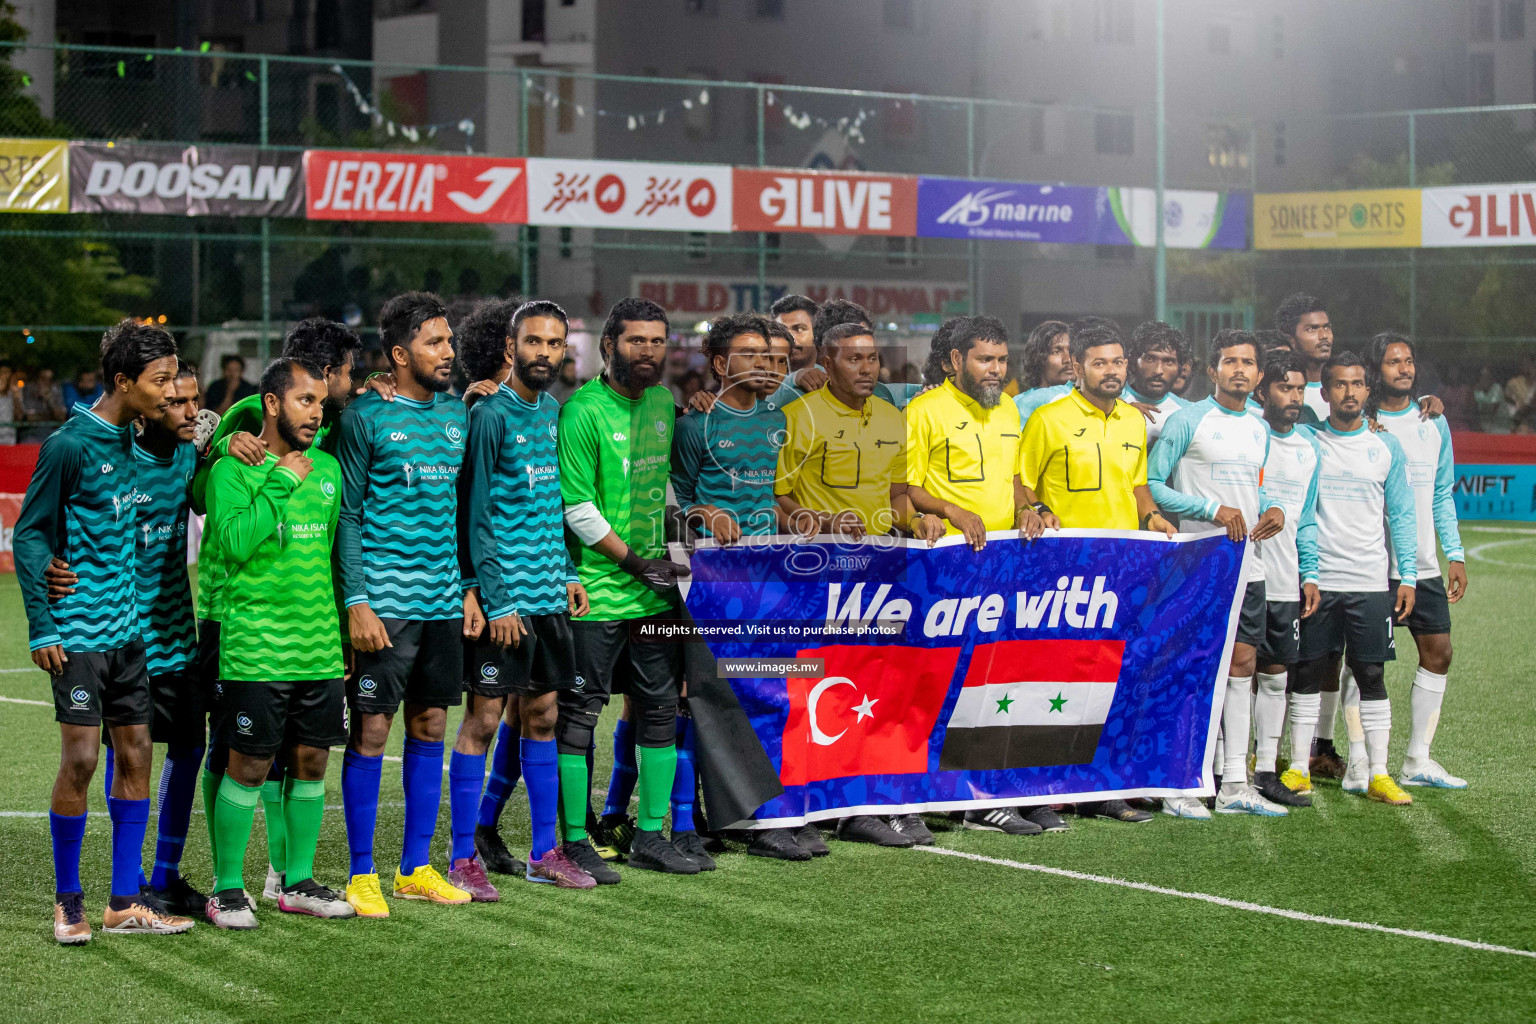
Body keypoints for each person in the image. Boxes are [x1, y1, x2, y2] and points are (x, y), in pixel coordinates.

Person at [15, 319, 193, 944]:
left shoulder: (136, 440)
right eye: (161, 381)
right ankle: (68, 901)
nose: (172, 393)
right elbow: (30, 532)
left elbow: (203, 434)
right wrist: (43, 625)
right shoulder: (70, 445)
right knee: (84, 759)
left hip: (129, 634)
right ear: (123, 381)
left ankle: (123, 901)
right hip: (80, 635)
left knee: (139, 755)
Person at [191, 318, 361, 903]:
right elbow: (235, 540)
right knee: (243, 760)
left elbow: (331, 559)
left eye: (322, 397)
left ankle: (295, 879)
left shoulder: (333, 466)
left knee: (311, 760)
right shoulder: (237, 461)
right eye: (305, 399)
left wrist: (341, 634)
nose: (317, 409)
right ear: (271, 402)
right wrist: (273, 475)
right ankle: (226, 884)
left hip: (316, 646)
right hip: (249, 638)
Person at [338, 292, 485, 915]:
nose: (447, 351)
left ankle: (415, 867)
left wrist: (471, 588)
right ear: (400, 354)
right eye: (433, 342)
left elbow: (466, 514)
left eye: (448, 340)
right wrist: (357, 601)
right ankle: (361, 873)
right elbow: (346, 514)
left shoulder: (459, 417)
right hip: (384, 605)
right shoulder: (364, 418)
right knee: (371, 732)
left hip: (442, 602)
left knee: (430, 728)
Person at [454, 298, 597, 891]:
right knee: (483, 720)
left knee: (543, 715)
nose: (545, 353)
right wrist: (495, 597)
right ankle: (463, 856)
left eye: (555, 343)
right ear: (512, 349)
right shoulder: (490, 415)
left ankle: (545, 852)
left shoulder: (553, 414)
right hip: (505, 599)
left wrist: (567, 570)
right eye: (534, 342)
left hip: (547, 593)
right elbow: (475, 511)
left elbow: (547, 507)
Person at [557, 297, 699, 878]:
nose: (649, 352)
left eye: (658, 342)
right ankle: (573, 838)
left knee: (661, 712)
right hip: (598, 591)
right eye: (637, 341)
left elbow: (663, 487)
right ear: (608, 345)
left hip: (654, 594)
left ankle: (648, 835)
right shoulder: (583, 411)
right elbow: (578, 509)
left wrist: (676, 543)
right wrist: (638, 563)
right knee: (581, 716)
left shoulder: (665, 402)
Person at [905, 314, 1061, 837]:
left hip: (1001, 567)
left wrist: (1029, 508)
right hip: (946, 568)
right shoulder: (924, 411)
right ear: (955, 361)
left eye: (1001, 360)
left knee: (996, 682)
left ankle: (989, 793)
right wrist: (950, 512)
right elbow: (905, 488)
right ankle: (947, 794)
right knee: (944, 681)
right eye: (984, 360)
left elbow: (1014, 479)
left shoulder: (1010, 407)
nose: (996, 370)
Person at [773, 320, 927, 846]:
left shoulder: (891, 416)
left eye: (873, 359)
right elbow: (775, 498)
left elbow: (898, 493)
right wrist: (818, 523)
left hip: (882, 574)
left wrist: (919, 519)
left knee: (878, 690)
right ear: (827, 363)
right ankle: (816, 805)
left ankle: (867, 802)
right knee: (818, 693)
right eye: (854, 359)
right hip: (817, 576)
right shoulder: (799, 416)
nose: (867, 369)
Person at [673, 312, 820, 861]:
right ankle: (725, 819)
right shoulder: (693, 427)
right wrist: (703, 511)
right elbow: (675, 501)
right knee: (722, 699)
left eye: (770, 357)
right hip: (715, 583)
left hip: (772, 576)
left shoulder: (780, 420)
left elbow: (777, 496)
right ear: (718, 364)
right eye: (751, 356)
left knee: (775, 693)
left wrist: (804, 521)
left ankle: (766, 812)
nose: (765, 366)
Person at [1017, 319, 1168, 826]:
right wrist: (1036, 506)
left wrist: (1151, 516)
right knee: (1051, 679)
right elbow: (1019, 482)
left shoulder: (1133, 421)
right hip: (1062, 574)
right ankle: (1038, 789)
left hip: (1122, 571)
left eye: (1118, 362)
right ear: (1076, 367)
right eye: (1099, 362)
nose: (1111, 371)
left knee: (1108, 679)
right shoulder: (1049, 418)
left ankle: (1099, 788)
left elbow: (1138, 484)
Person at [1148, 329, 1288, 818]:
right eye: (1231, 361)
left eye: (1249, 362)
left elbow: (1259, 486)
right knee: (1191, 666)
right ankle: (1177, 784)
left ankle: (1232, 784)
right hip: (1197, 562)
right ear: (1212, 370)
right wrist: (1211, 509)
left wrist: (1274, 510)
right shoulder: (1189, 420)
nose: (1241, 370)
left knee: (1242, 667)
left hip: (1249, 567)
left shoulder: (1259, 426)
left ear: (1259, 373)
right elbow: (1152, 485)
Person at [1287, 351, 1418, 807]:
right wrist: (1309, 570)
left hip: (1369, 581)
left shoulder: (1386, 447)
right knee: (1306, 669)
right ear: (1324, 394)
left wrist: (1407, 577)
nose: (1349, 392)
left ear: (1368, 390)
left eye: (1357, 384)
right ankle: (1299, 767)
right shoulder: (1307, 440)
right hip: (1318, 580)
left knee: (1370, 673)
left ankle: (1379, 773)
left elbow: (1401, 515)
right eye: (1339, 385)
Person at [1368, 332, 1469, 789]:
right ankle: (1361, 765)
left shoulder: (1434, 422)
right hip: (1375, 565)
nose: (1404, 368)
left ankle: (1417, 760)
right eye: (1393, 361)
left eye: (1409, 360)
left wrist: (1456, 555)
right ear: (1378, 369)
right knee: (1367, 665)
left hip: (1425, 565)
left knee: (1439, 654)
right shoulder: (1363, 422)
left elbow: (1444, 493)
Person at [1250, 352, 1323, 805]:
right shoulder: (1249, 435)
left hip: (1283, 578)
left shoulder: (1309, 446)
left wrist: (1309, 571)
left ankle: (1264, 770)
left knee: (1276, 675)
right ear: (1263, 392)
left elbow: (1308, 517)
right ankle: (1223, 768)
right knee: (1236, 674)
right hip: (1242, 572)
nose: (1294, 397)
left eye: (1298, 389)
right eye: (1284, 388)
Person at [1123, 320, 1192, 444]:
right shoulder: (1110, 403)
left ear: (1180, 368)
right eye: (1150, 359)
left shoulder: (1187, 413)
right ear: (1133, 362)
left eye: (1168, 362)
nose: (1158, 371)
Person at [1274, 293, 1333, 421]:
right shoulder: (1274, 390)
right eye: (1312, 329)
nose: (1324, 336)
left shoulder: (1345, 386)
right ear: (1290, 339)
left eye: (1327, 327)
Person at [1013, 320, 1073, 426]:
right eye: (1057, 352)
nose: (1068, 359)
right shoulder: (1019, 405)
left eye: (1071, 351)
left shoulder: (1090, 398)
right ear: (1038, 358)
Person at [17, 365, 66, 443]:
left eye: (49, 380)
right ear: (37, 379)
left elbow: (61, 417)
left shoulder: (55, 389)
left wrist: (50, 401)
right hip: (32, 434)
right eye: (43, 379)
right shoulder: (29, 389)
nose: (46, 383)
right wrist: (51, 416)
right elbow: (31, 418)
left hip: (52, 434)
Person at [1474, 365, 1514, 433]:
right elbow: (1473, 408)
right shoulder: (1477, 390)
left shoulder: (1497, 388)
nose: (1484, 379)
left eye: (1487, 377)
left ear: (1492, 378)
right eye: (1482, 377)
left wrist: (1481, 408)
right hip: (1485, 428)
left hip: (1501, 428)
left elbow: (1491, 409)